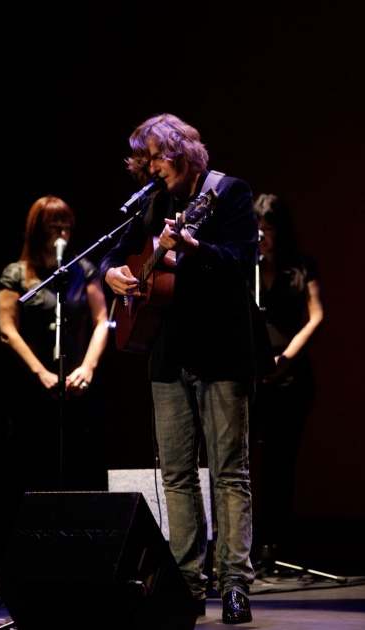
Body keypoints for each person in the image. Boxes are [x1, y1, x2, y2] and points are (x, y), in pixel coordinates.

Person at [99, 113, 276, 624]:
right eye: (146, 159)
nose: (153, 167)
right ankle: (186, 583)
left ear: (185, 152)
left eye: (159, 155)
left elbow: (243, 260)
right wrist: (112, 270)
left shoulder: (227, 192)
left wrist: (194, 250)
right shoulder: (153, 202)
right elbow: (119, 249)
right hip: (166, 353)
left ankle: (236, 583)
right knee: (175, 476)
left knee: (229, 472)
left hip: (223, 352)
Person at [0, 194, 110, 504]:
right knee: (34, 459)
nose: (61, 234)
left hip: (76, 382)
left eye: (66, 227)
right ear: (37, 231)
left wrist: (87, 368)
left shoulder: (83, 270)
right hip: (32, 386)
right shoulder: (17, 274)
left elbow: (103, 320)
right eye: (53, 227)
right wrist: (40, 373)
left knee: (81, 459)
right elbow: (7, 329)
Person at [251, 193, 324, 575]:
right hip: (252, 378)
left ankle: (274, 545)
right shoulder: (248, 268)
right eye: (257, 226)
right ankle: (242, 548)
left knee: (280, 463)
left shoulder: (301, 266)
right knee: (245, 464)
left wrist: (284, 360)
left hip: (290, 377)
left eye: (269, 226)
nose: (261, 233)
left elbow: (315, 316)